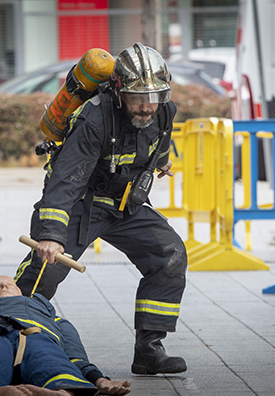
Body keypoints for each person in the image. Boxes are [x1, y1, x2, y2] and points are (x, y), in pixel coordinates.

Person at [14, 42, 187, 375]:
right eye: (138, 98)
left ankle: (149, 350)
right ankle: (6, 335)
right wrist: (51, 234)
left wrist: (161, 164)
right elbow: (66, 180)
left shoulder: (163, 110)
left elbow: (158, 141)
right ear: (119, 93)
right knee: (45, 269)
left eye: (154, 97)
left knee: (170, 255)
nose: (146, 106)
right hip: (84, 201)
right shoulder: (96, 117)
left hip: (125, 203)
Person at [0, 275, 131, 396]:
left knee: (51, 361)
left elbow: (72, 349)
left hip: (36, 336)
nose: (2, 287)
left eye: (8, 284)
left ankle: (62, 394)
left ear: (20, 292)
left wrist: (98, 379)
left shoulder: (42, 309)